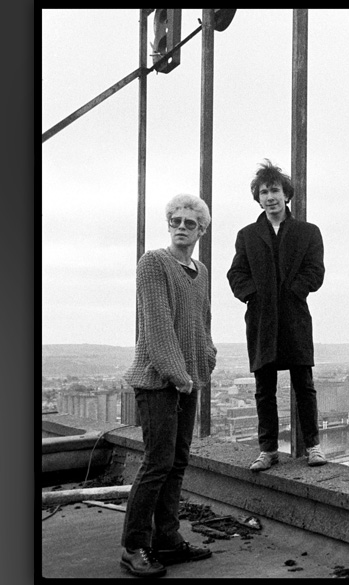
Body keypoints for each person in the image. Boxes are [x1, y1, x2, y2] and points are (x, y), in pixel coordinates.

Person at [121, 194, 217, 578]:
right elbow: (158, 329)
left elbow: (203, 324)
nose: (181, 227)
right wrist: (180, 376)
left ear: (201, 230)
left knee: (177, 463)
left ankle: (167, 540)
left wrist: (205, 359)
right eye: (175, 220)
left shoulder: (202, 271)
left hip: (186, 381)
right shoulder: (153, 263)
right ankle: (133, 546)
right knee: (157, 463)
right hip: (159, 381)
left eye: (189, 223)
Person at [227, 159, 327, 471]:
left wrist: (295, 291)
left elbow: (316, 271)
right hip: (261, 320)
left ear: (287, 195)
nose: (270, 197)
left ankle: (314, 447)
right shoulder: (247, 235)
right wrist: (253, 296)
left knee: (304, 385)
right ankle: (268, 450)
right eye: (264, 192)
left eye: (275, 190)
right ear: (257, 197)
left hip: (294, 316)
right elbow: (236, 274)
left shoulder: (307, 232)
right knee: (263, 388)